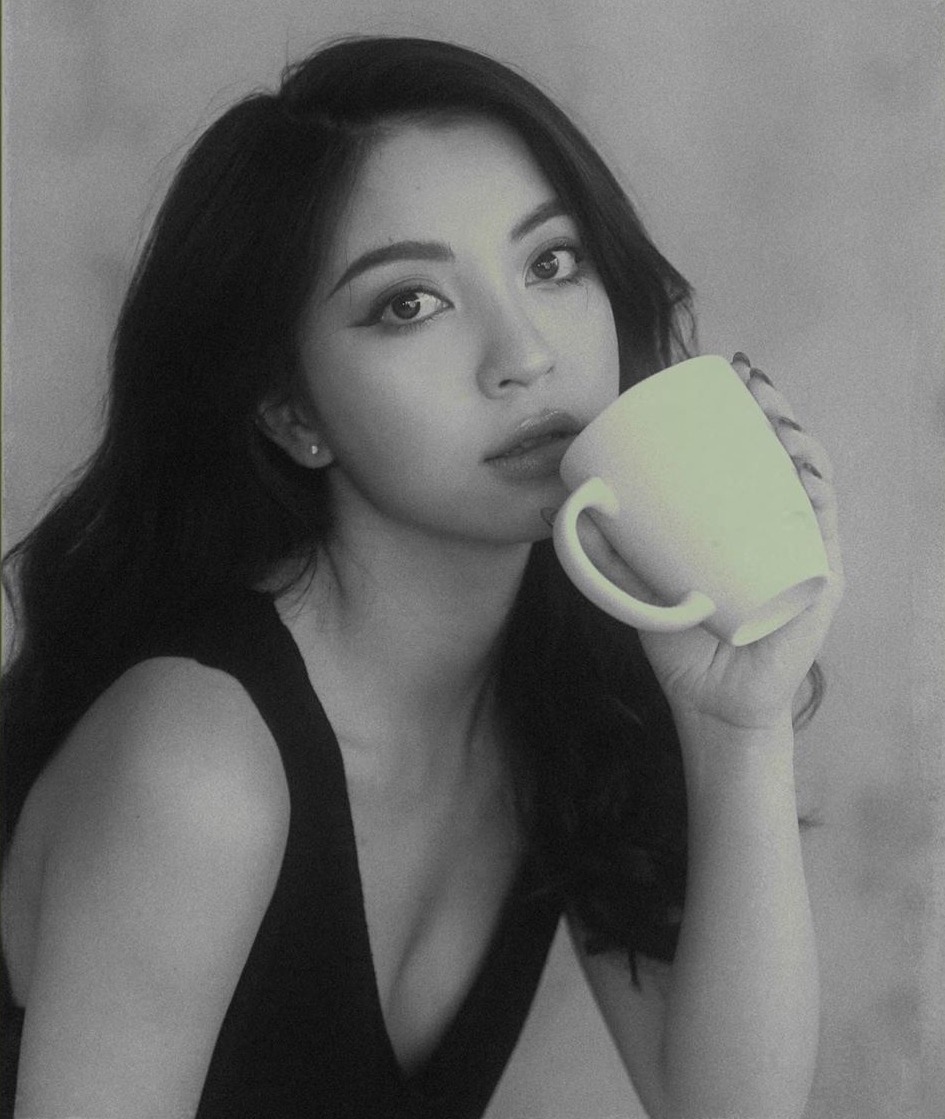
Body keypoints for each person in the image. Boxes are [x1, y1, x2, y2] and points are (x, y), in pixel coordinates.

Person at [0, 35, 844, 1119]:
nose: (524, 355)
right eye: (409, 303)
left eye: (552, 263)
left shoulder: (558, 696)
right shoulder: (198, 760)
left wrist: (741, 726)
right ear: (292, 412)